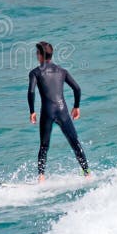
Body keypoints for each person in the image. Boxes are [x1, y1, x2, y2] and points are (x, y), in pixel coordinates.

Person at [28, 41, 90, 182]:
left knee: (44, 145)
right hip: (62, 110)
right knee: (75, 143)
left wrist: (32, 111)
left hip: (47, 111)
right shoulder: (62, 71)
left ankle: (41, 178)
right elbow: (77, 89)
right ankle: (87, 173)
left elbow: (31, 92)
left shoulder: (35, 73)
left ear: (40, 56)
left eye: (37, 53)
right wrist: (76, 106)